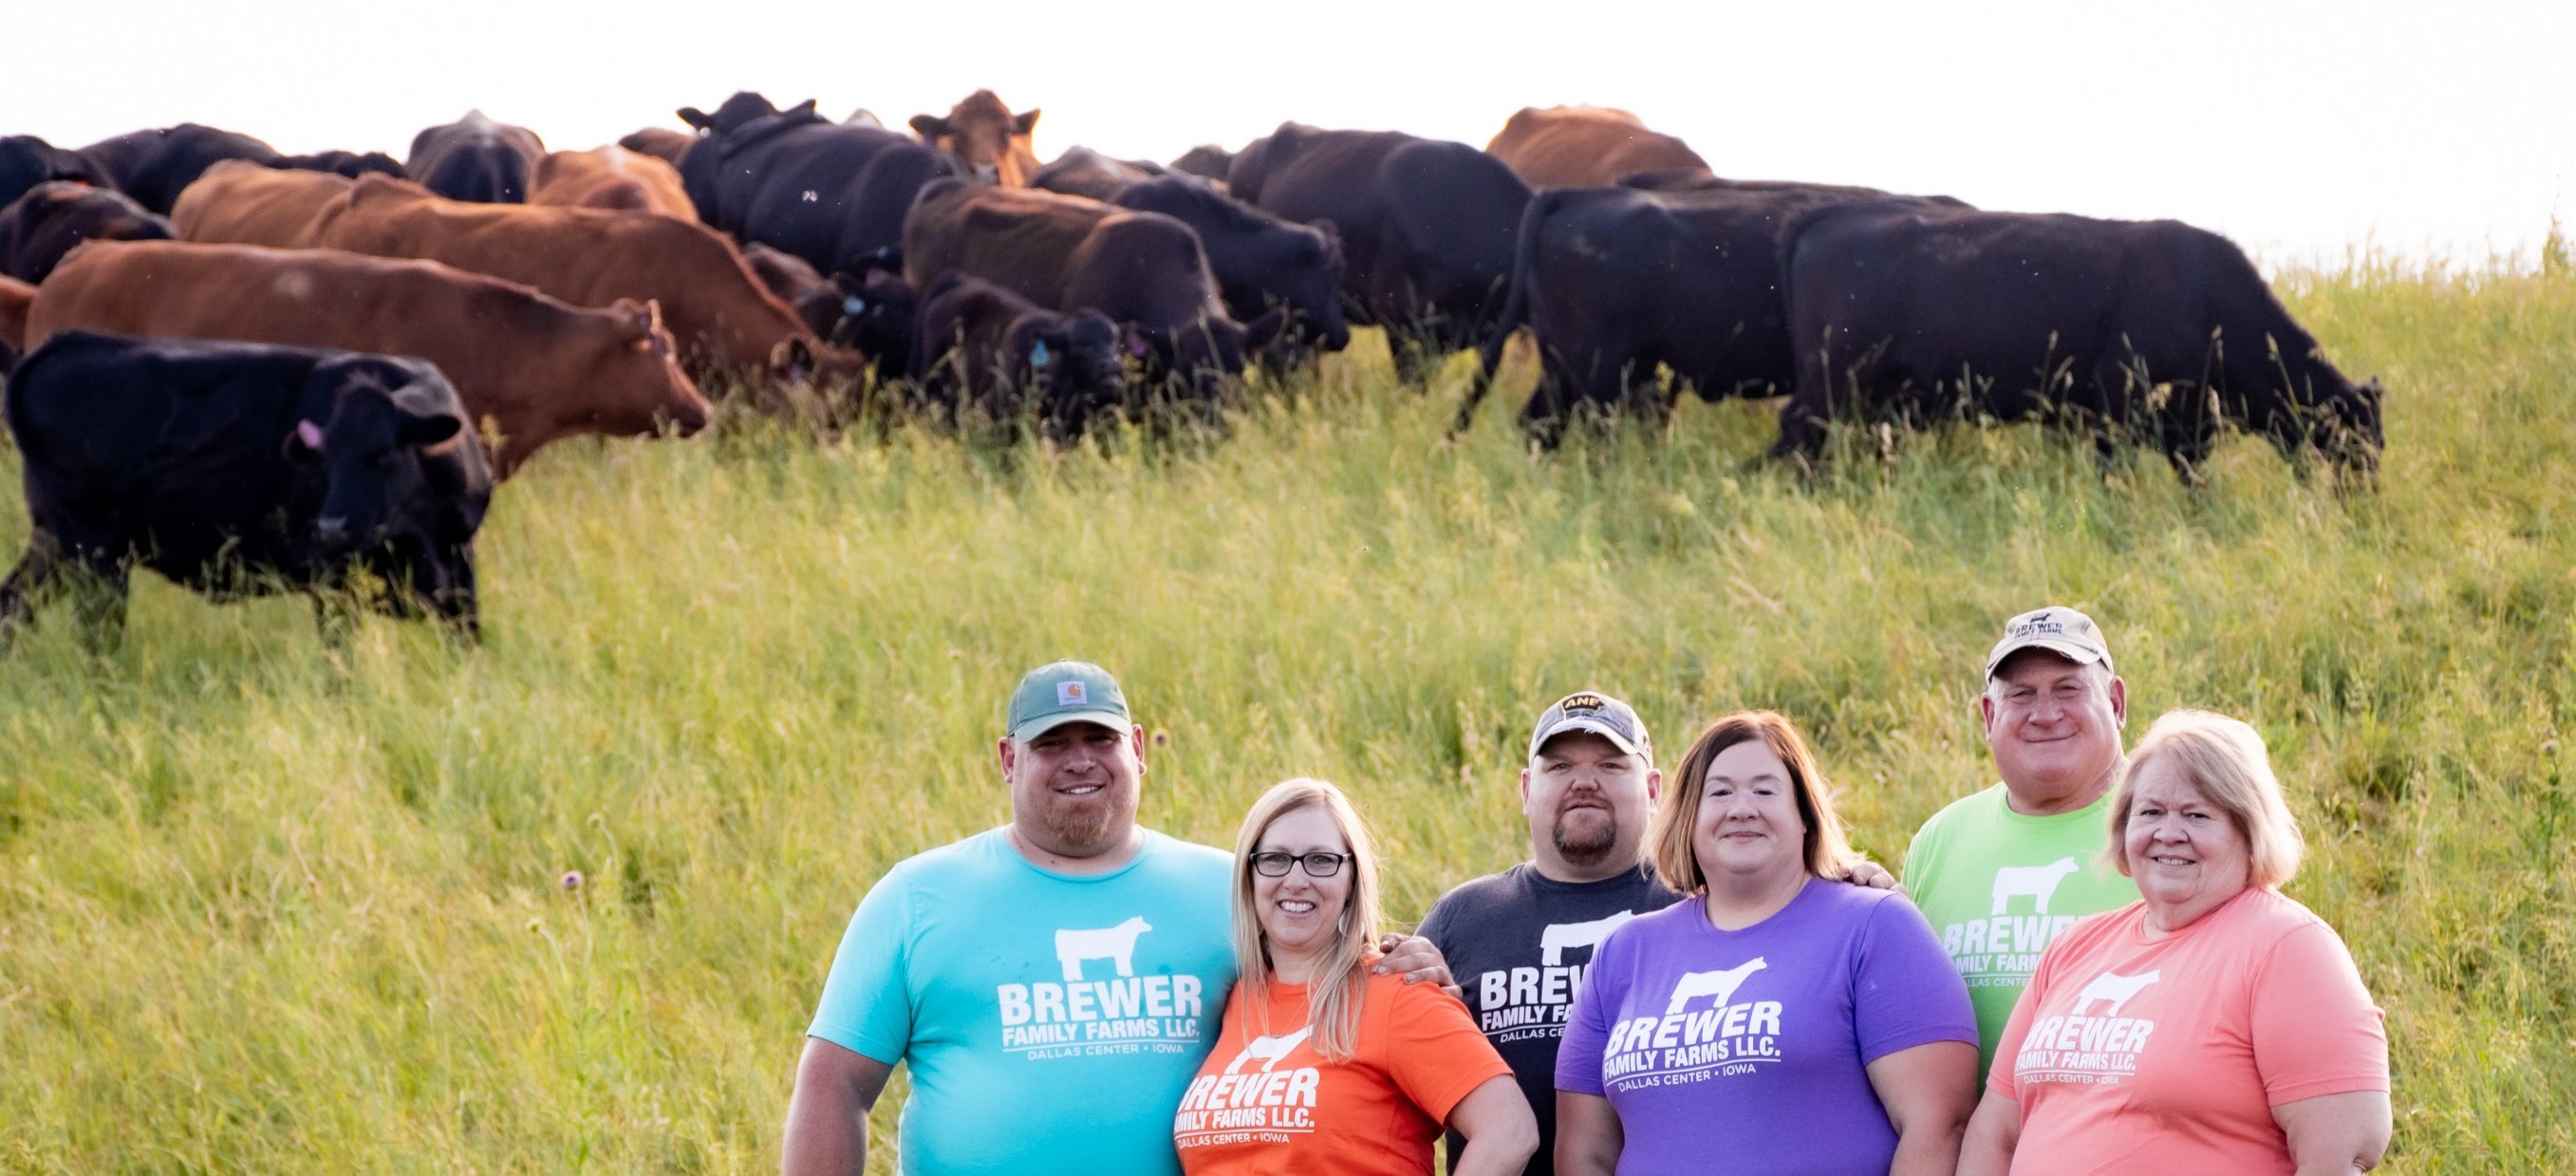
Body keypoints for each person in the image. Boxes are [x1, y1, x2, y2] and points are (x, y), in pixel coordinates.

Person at [781, 661, 1453, 1176]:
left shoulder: (1231, 887)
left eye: (1099, 737)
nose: (1080, 759)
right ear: (1009, 759)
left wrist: (1407, 967)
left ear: (1137, 746)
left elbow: (1331, 972)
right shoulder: (917, 897)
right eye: (1052, 743)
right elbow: (834, 1082)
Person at [1421, 691, 1901, 1176]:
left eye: (1611, 766)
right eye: (1559, 767)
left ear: (1654, 789)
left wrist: (1851, 889)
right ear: (1526, 789)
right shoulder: (1462, 918)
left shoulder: (1705, 902)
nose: (1584, 782)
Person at [1959, 710, 2392, 1175]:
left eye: (2196, 815)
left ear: (2248, 831)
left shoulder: (2287, 948)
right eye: (2150, 812)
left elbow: (2340, 1155)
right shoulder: (2075, 947)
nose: (2168, 833)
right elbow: (1995, 1133)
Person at [1556, 711, 1978, 1176]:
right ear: (1688, 819)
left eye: (1764, 789)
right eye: (1719, 792)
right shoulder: (1624, 953)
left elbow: (1939, 1126)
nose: (1741, 808)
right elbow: (1585, 1155)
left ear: (1804, 816)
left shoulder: (1876, 926)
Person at [1174, 777, 1538, 1175]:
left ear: (1351, 881)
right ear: (1250, 876)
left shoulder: (1397, 990)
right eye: (1275, 859)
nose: (1296, 880)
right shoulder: (1236, 999)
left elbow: (1509, 1129)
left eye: (1321, 860)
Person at [1902, 606, 2145, 1076]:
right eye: (2022, 695)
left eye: (2068, 689)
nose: (2045, 713)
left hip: (2125, 1140)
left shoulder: (2170, 829)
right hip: (1974, 1146)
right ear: (1989, 715)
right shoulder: (1940, 839)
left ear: (2116, 703)